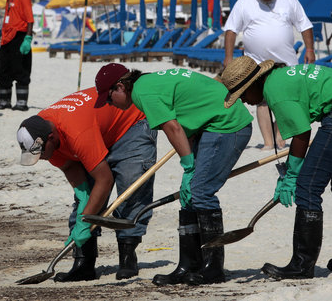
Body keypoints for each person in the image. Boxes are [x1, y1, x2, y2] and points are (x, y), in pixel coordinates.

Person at [221, 56, 332, 280]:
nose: (245, 101)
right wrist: (289, 171)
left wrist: (293, 175)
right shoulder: (278, 78)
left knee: (307, 187)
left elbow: (302, 133)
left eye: (243, 94)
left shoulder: (275, 91)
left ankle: (302, 265)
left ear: (254, 83)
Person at [94, 63, 253, 285]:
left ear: (120, 86)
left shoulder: (142, 92)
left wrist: (189, 167)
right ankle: (189, 265)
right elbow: (185, 121)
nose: (111, 104)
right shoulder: (147, 83)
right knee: (188, 195)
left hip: (227, 125)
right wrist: (189, 167)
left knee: (201, 192)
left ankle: (213, 268)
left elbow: (173, 128)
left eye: (109, 99)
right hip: (209, 125)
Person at [16, 85, 158, 282]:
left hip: (131, 123)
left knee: (131, 187)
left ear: (51, 138)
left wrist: (84, 221)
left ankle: (127, 258)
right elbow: (69, 167)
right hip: (99, 129)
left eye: (40, 153)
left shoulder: (75, 131)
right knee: (88, 197)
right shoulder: (40, 130)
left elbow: (105, 180)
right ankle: (84, 263)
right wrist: (83, 196)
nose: (40, 158)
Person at [223, 0, 314, 151]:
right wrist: (228, 56)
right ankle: (268, 141)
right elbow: (231, 30)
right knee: (262, 100)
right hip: (255, 61)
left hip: (286, 60)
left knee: (285, 99)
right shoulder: (244, 2)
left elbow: (305, 25)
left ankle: (279, 135)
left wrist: (310, 49)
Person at [0, 0, 33, 112]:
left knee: (20, 70)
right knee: (3, 71)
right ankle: (4, 101)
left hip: (19, 36)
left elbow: (29, 19)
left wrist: (28, 38)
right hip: (6, 39)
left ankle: (21, 102)